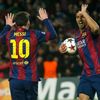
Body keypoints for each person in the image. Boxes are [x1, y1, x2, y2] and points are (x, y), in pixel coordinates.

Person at [0, 8, 57, 100]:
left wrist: (7, 26)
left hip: (15, 79)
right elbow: (53, 34)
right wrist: (46, 20)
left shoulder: (9, 35)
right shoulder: (34, 34)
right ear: (28, 23)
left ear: (15, 23)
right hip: (30, 78)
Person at [59, 4, 100, 100]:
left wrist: (85, 13)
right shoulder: (77, 37)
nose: (80, 19)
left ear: (87, 17)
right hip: (86, 74)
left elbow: (96, 29)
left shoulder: (92, 31)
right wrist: (64, 51)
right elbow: (80, 52)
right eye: (78, 17)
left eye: (82, 17)